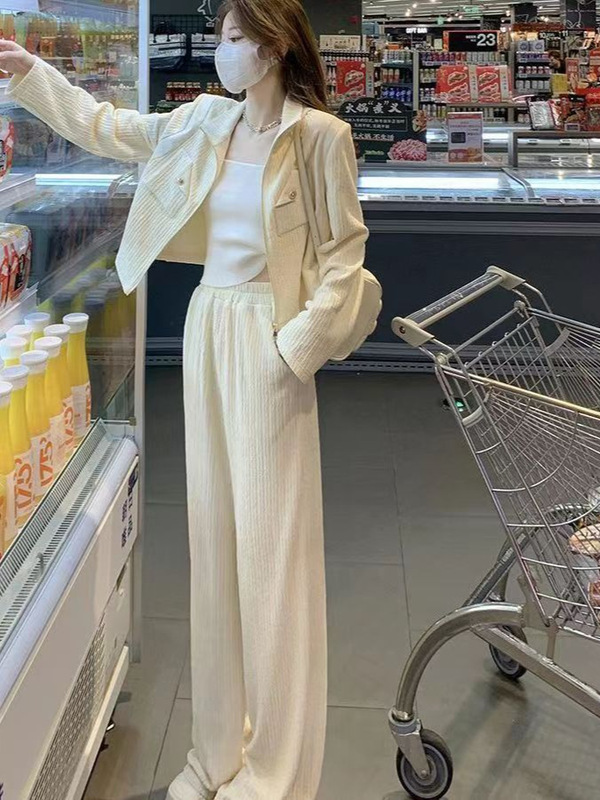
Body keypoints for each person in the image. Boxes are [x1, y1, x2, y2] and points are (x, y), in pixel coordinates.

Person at [0, 1, 369, 797]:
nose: (222, 51)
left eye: (235, 39)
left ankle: (273, 772)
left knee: (271, 555)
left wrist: (296, 349)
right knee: (213, 548)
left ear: (273, 47)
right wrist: (33, 76)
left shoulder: (319, 137)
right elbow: (110, 128)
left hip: (269, 335)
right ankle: (215, 753)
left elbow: (345, 257)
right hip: (210, 323)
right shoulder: (207, 121)